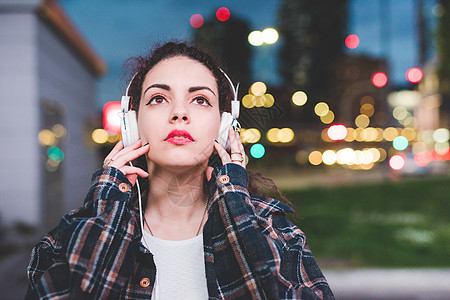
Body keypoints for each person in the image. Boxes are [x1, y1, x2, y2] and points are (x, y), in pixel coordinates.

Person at [25, 42, 334, 299]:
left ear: (225, 126)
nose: (179, 113)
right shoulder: (71, 237)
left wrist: (235, 204)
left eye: (200, 100)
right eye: (159, 98)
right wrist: (106, 206)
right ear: (133, 125)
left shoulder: (272, 230)